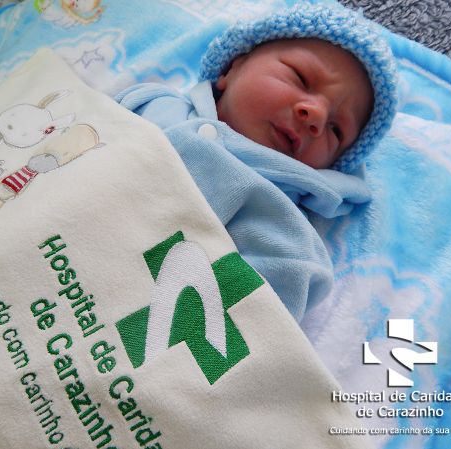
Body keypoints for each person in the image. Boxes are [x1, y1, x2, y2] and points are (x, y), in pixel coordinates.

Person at [116, 3, 398, 321]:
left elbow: (257, 326)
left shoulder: (285, 232)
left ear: (334, 166)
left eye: (336, 129)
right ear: (231, 68)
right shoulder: (153, 105)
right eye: (301, 78)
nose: (317, 115)